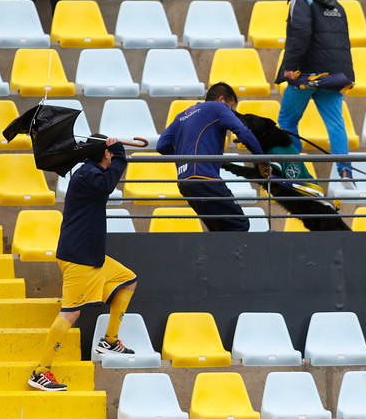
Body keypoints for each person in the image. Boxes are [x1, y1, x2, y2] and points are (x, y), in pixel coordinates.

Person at [28, 135, 137, 391]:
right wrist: (120, 152)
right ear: (106, 154)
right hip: (79, 258)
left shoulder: (88, 171)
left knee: (127, 280)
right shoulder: (90, 176)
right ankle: (41, 371)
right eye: (110, 154)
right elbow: (108, 184)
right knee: (71, 312)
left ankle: (110, 340)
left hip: (91, 257)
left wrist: (113, 151)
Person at [275, 0, 356, 188]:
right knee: (335, 122)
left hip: (307, 73)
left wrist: (289, 67)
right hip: (332, 75)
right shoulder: (335, 4)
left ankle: (294, 171)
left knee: (287, 119)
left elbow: (299, 35)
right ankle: (345, 173)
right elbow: (341, 43)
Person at [157, 82, 264, 232]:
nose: (230, 113)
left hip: (184, 183)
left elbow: (161, 146)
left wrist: (183, 159)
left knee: (218, 229)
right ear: (221, 100)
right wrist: (263, 161)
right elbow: (243, 133)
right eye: (231, 108)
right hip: (204, 178)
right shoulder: (218, 107)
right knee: (239, 224)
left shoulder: (182, 115)